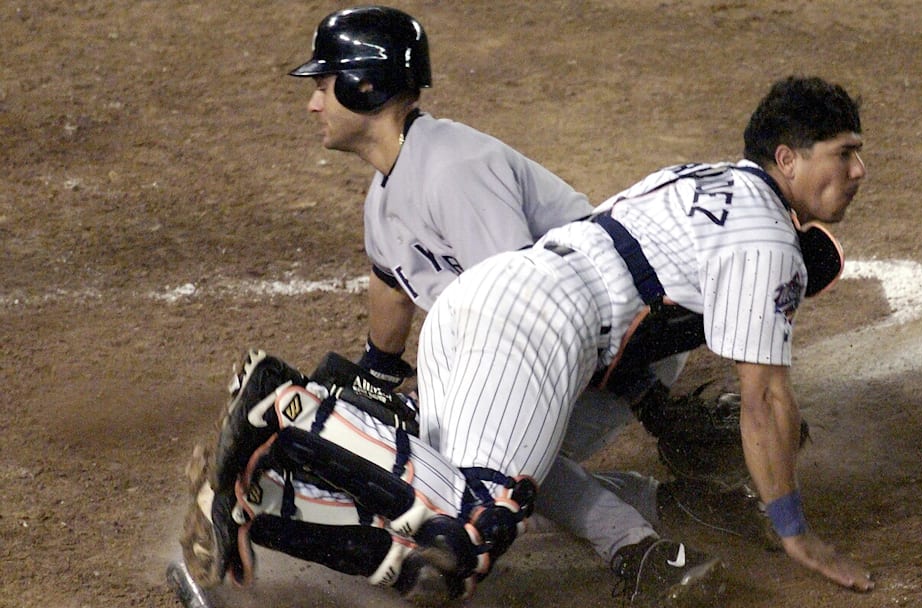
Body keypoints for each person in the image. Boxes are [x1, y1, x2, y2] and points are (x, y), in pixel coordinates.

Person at [180, 73, 875, 604]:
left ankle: (265, 508)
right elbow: (766, 401)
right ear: (787, 158)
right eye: (843, 153)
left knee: (443, 545)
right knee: (478, 525)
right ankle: (291, 408)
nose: (856, 172)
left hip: (500, 311)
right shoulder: (764, 236)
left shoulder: (703, 180)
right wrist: (795, 531)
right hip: (537, 324)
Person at [186, 4, 715, 602]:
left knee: (459, 479)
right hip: (545, 348)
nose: (313, 104)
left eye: (325, 86)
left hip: (610, 353)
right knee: (442, 459)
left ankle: (641, 550)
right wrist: (368, 388)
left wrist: (651, 405)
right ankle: (675, 505)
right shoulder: (387, 195)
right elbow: (391, 295)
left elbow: (529, 307)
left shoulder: (455, 169)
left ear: (366, 85)